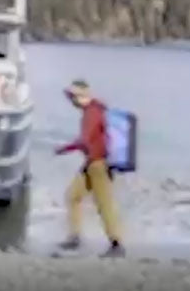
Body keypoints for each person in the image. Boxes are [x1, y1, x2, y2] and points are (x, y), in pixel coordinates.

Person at [55, 79, 125, 258]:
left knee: (104, 204)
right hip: (92, 163)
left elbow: (84, 140)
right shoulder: (95, 110)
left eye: (71, 97)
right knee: (73, 196)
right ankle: (75, 237)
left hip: (98, 164)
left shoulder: (92, 113)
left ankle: (116, 244)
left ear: (80, 96)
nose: (71, 102)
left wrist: (64, 149)